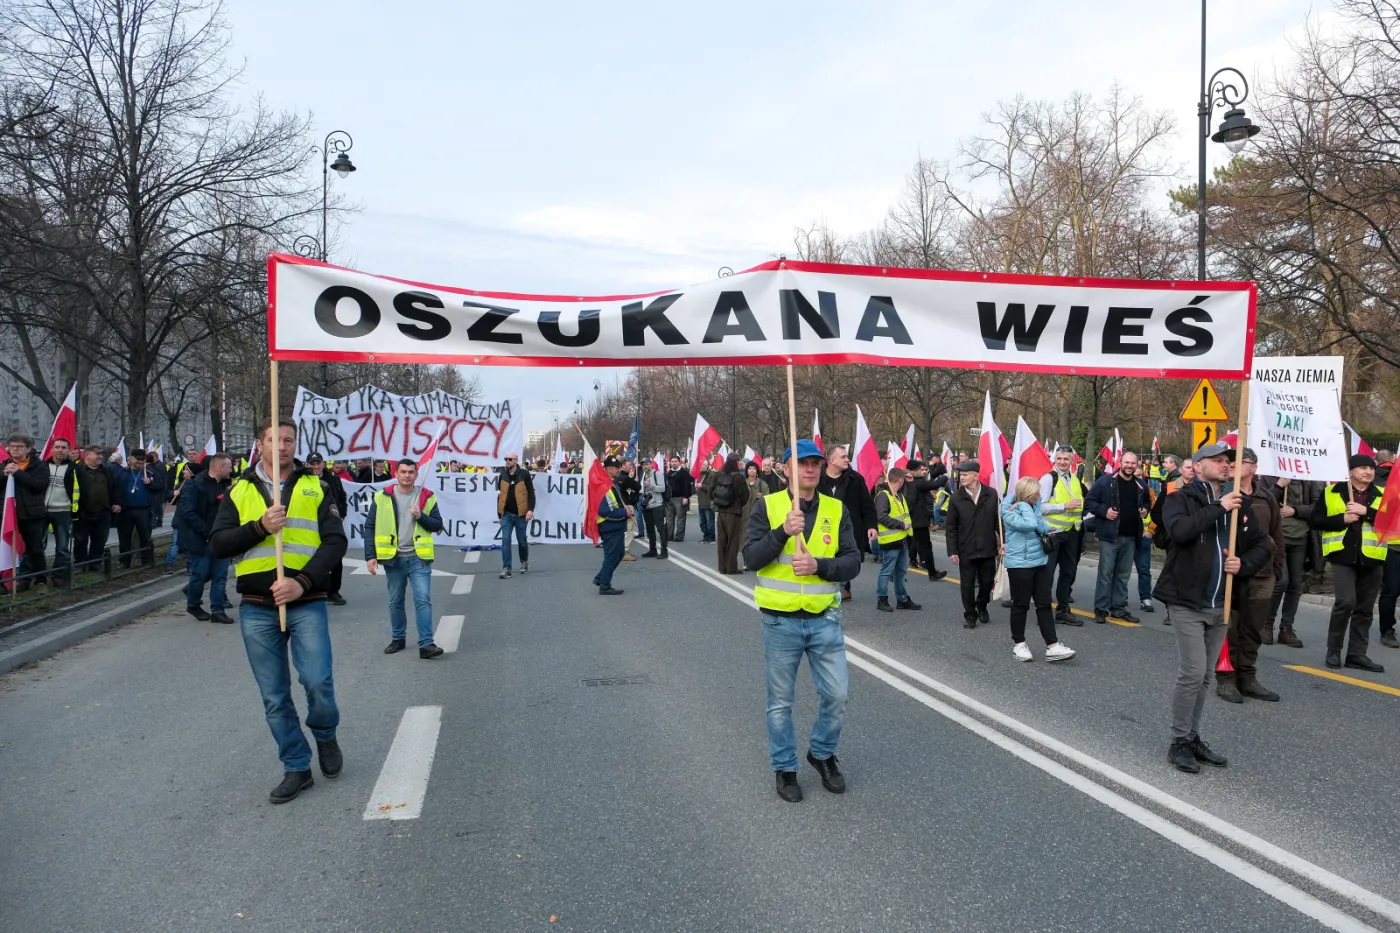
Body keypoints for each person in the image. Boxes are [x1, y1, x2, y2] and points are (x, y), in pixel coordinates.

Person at [209, 418, 348, 804]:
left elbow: (335, 542)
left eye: (288, 440)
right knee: (274, 695)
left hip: (305, 601)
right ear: (261, 444)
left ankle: (325, 735)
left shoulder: (314, 486)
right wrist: (258, 527)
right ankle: (296, 766)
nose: (282, 447)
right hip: (257, 607)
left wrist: (301, 582)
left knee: (318, 681)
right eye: (274, 440)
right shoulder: (239, 490)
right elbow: (218, 544)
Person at [742, 439, 860, 803]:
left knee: (837, 694)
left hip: (824, 619)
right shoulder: (769, 506)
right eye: (802, 463)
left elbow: (853, 560)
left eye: (815, 463)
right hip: (781, 623)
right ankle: (785, 768)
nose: (810, 469)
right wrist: (782, 533)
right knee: (780, 703)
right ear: (787, 469)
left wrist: (820, 567)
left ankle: (822, 753)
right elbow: (751, 558)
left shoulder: (836, 509)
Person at [1154, 442, 1269, 773]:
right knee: (1191, 673)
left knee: (1204, 675)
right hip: (1188, 602)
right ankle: (1178, 742)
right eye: (1217, 460)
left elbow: (1263, 545)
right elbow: (1178, 531)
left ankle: (1192, 736)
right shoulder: (1180, 499)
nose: (1224, 464)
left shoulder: (1240, 504)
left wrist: (1242, 564)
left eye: (1227, 460)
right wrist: (1218, 507)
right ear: (1198, 465)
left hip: (1222, 603)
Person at [1310, 453, 1387, 672]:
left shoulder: (1383, 494)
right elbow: (1315, 520)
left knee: (1364, 609)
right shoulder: (1332, 492)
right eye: (1362, 467)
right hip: (1342, 556)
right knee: (1345, 602)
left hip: (1373, 558)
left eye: (1371, 468)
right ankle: (1333, 650)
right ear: (1351, 471)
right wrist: (1340, 519)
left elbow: (1394, 523)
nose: (1368, 472)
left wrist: (1367, 513)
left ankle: (1357, 654)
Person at [1218, 449, 1283, 702]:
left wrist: (1277, 570)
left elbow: (1277, 535)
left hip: (1261, 575)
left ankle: (1247, 676)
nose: (1232, 465)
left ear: (1254, 468)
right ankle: (1225, 677)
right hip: (1229, 574)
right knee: (1229, 627)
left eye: (1240, 461)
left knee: (1252, 628)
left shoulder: (1266, 498)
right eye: (1229, 461)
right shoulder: (1221, 495)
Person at [366, 458, 446, 658]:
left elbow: (437, 524)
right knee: (395, 601)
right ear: (396, 473)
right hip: (393, 559)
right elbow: (370, 527)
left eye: (411, 472)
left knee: (423, 600)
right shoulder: (381, 497)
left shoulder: (426, 496)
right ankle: (398, 638)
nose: (407, 475)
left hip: (419, 558)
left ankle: (426, 644)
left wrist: (421, 516)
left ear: (416, 474)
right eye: (403, 472)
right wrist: (370, 556)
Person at [1001, 476, 1076, 662]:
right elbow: (1030, 525)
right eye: (1035, 492)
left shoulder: (1032, 507)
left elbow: (1040, 526)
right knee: (1021, 605)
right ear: (1026, 494)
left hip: (1039, 562)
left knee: (1044, 603)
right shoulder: (1009, 511)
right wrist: (1023, 506)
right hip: (1019, 564)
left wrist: (1056, 530)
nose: (1038, 495)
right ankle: (1018, 644)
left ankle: (1052, 646)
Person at [1085, 450, 1148, 624]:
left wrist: (1145, 509)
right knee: (1105, 574)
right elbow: (1089, 501)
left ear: (1137, 465)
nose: (1130, 466)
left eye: (1133, 463)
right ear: (1120, 462)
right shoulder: (1105, 482)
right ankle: (1101, 609)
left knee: (1123, 575)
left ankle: (1118, 609)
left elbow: (1146, 503)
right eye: (1127, 462)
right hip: (1110, 536)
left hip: (1131, 537)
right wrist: (1104, 512)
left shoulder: (1141, 484)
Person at [176, 452, 234, 623]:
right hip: (201, 539)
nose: (232, 470)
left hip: (221, 538)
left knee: (220, 575)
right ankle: (193, 604)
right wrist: (207, 532)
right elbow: (188, 513)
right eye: (229, 467)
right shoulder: (194, 485)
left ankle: (217, 610)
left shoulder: (226, 485)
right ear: (220, 467)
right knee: (200, 574)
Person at [816, 445, 878, 602]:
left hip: (848, 528)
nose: (847, 459)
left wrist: (871, 525)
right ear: (832, 460)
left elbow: (867, 504)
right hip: (822, 527)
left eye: (847, 456)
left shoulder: (855, 479)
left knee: (845, 557)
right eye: (843, 457)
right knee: (826, 557)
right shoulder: (817, 478)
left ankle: (840, 591)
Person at [944, 460, 1001, 628]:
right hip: (966, 548)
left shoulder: (991, 494)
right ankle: (970, 614)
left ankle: (982, 605)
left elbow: (998, 520)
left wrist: (1003, 542)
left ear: (976, 476)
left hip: (987, 547)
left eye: (965, 475)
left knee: (986, 582)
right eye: (960, 475)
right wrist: (951, 550)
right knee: (967, 585)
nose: (961, 478)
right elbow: (951, 526)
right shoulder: (956, 497)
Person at [1260, 475, 1313, 649]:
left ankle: (1286, 628)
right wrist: (1279, 485)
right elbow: (1262, 503)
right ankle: (1266, 624)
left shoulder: (1308, 480)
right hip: (1278, 540)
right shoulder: (1268, 478)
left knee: (1295, 585)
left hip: (1300, 539)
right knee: (1281, 581)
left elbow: (1317, 507)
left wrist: (1295, 511)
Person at [1039, 447, 1086, 625]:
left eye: (1066, 459)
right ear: (1054, 459)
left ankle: (1063, 610)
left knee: (1068, 572)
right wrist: (1063, 506)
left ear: (1072, 461)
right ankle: (1043, 613)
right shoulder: (1048, 479)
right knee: (1047, 574)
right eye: (1059, 458)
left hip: (1071, 533)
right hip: (1053, 534)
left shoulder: (1074, 479)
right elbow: (1041, 507)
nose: (1062, 462)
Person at [4, 434, 50, 589]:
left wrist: (18, 473)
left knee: (35, 548)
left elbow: (39, 485)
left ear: (28, 449)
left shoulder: (39, 466)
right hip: (8, 515)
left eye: (19, 446)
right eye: (12, 446)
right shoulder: (3, 465)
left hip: (31, 514)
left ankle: (40, 580)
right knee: (8, 547)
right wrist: (4, 474)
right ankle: (11, 581)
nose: (15, 449)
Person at [873, 467, 920, 612]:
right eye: (904, 480)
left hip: (902, 539)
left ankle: (902, 599)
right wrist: (900, 525)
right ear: (900, 480)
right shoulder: (883, 495)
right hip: (891, 540)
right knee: (887, 571)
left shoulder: (898, 495)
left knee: (901, 571)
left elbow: (909, 506)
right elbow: (881, 516)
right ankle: (882, 599)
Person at [110, 448, 163, 568]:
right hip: (126, 510)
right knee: (124, 537)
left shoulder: (151, 472)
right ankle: (124, 562)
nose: (140, 462)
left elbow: (160, 486)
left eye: (142, 459)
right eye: (137, 459)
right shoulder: (123, 472)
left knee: (145, 536)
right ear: (130, 459)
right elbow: (116, 489)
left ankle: (147, 561)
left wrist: (151, 482)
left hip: (144, 509)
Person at [307, 454, 348, 605]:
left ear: (323, 464)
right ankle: (316, 590)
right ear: (307, 465)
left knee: (336, 557)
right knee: (313, 558)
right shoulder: (302, 481)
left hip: (331, 524)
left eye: (318, 463)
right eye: (312, 464)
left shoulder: (333, 479)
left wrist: (341, 515)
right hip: (311, 525)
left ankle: (334, 591)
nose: (316, 467)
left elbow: (342, 498)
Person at [71, 444, 118, 572]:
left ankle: (95, 563)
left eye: (101, 454)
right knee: (80, 540)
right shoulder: (76, 469)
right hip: (83, 512)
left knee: (100, 539)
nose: (100, 457)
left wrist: (116, 503)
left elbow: (114, 488)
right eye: (97, 454)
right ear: (87, 455)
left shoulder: (106, 471)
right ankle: (80, 564)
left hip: (103, 512)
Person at [40, 438, 76, 587]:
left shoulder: (73, 468)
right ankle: (39, 577)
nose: (60, 450)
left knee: (62, 547)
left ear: (68, 450)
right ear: (52, 449)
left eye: (63, 447)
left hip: (63, 510)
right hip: (42, 511)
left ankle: (58, 575)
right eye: (57, 447)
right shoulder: (42, 466)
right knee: (38, 545)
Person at [593, 456, 630, 595]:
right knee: (611, 556)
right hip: (609, 526)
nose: (619, 470)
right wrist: (624, 512)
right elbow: (604, 510)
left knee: (619, 553)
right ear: (608, 469)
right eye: (616, 467)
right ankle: (605, 586)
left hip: (616, 525)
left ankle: (601, 578)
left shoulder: (611, 483)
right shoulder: (603, 485)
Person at [904, 460, 947, 581]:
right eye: (920, 469)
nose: (923, 471)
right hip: (918, 520)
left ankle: (897, 573)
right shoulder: (917, 482)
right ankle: (932, 573)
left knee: (907, 545)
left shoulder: (904, 481)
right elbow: (933, 485)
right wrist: (944, 476)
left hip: (908, 519)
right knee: (926, 546)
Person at [496, 452, 535, 579]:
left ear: (516, 461)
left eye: (510, 459)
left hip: (521, 514)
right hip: (506, 514)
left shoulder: (524, 474)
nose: (507, 461)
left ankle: (524, 561)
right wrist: (499, 515)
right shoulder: (502, 474)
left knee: (522, 540)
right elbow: (500, 495)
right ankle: (506, 567)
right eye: (506, 458)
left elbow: (531, 493)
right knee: (505, 540)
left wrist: (530, 510)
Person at [710, 452, 751, 574]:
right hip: (734, 512)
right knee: (733, 540)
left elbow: (710, 492)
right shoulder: (738, 477)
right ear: (736, 462)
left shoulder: (718, 475)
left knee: (722, 540)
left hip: (721, 512)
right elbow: (745, 495)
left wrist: (719, 503)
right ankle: (731, 568)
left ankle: (722, 567)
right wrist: (738, 505)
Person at [1376, 450, 1400, 649]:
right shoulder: (1392, 485)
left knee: (1390, 591)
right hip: (1393, 546)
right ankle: (1387, 630)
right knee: (1391, 590)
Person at [639, 460, 669, 559]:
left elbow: (662, 488)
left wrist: (651, 486)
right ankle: (652, 550)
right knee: (650, 529)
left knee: (661, 529)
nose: (645, 466)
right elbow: (644, 489)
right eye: (643, 465)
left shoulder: (657, 474)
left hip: (657, 505)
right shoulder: (644, 475)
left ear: (651, 464)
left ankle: (664, 550)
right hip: (647, 505)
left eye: (647, 464)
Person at [665, 456, 694, 543]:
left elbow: (687, 486)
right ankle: (669, 535)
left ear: (679, 462)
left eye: (675, 461)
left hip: (680, 498)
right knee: (669, 518)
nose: (673, 463)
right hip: (669, 498)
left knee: (680, 518)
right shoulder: (669, 472)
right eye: (672, 461)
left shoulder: (683, 472)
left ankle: (679, 536)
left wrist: (686, 497)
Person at [616, 461, 641, 562]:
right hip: (627, 504)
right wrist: (634, 481)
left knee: (620, 529)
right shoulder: (626, 478)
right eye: (629, 465)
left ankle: (619, 551)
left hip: (617, 505)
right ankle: (625, 551)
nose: (631, 467)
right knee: (629, 528)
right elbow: (638, 487)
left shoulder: (616, 478)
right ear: (622, 466)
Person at [696, 461, 717, 544]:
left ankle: (711, 537)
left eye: (702, 465)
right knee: (702, 521)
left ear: (706, 465)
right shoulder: (698, 475)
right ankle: (705, 536)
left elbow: (713, 488)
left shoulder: (712, 475)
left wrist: (702, 486)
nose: (701, 467)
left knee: (710, 521)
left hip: (708, 502)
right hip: (700, 501)